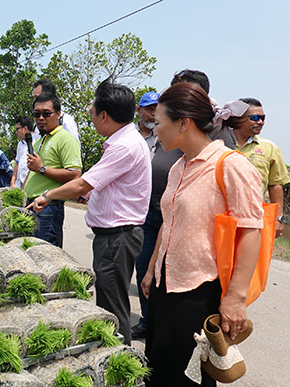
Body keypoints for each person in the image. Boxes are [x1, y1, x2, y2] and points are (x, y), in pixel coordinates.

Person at [141, 83, 263, 386]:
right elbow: (169, 223)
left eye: (159, 122)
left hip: (198, 292)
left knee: (188, 376)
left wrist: (235, 298)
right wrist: (151, 269)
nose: (155, 129)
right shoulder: (178, 166)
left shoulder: (230, 165)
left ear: (183, 123)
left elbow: (251, 231)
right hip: (164, 286)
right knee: (158, 369)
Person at [28, 80, 150, 345]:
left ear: (104, 115)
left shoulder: (123, 146)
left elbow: (83, 181)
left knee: (113, 310)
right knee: (110, 302)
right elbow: (96, 188)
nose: (90, 114)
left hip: (117, 238)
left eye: (93, 109)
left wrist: (48, 194)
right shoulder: (124, 142)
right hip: (114, 236)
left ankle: (119, 363)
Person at [226, 97, 290, 238]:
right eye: (254, 118)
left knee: (252, 259)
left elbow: (275, 185)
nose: (260, 122)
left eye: (263, 118)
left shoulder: (269, 148)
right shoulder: (220, 144)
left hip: (254, 218)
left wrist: (279, 218)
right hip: (221, 216)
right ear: (237, 119)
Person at [24, 92, 82, 248]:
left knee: (45, 256)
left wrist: (41, 168)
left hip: (48, 208)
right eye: (37, 114)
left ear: (58, 114)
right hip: (31, 205)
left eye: (46, 113)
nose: (41, 118)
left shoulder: (65, 138)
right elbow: (32, 173)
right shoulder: (38, 141)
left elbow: (75, 175)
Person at [171, 69, 236, 149]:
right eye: (174, 92)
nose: (177, 97)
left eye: (184, 92)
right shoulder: (167, 125)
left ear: (202, 96)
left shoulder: (215, 128)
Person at [33, 78, 80, 142]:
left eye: (37, 97)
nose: (34, 101)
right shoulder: (36, 125)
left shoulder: (65, 120)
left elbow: (74, 146)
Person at [10, 115, 38, 188]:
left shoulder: (37, 141)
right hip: (19, 184)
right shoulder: (20, 144)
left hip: (30, 185)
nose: (16, 132)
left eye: (17, 129)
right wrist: (12, 182)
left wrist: (25, 186)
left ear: (25, 128)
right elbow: (17, 163)